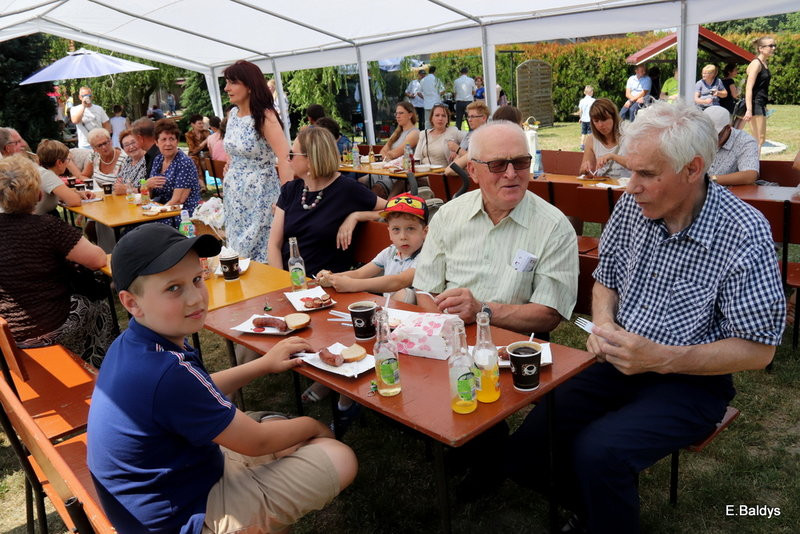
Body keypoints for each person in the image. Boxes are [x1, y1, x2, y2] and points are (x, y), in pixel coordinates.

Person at [509, 100, 784, 534]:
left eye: (647, 175)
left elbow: (758, 351)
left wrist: (661, 359)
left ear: (693, 170)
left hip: (692, 381)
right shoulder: (631, 207)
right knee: (529, 446)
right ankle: (592, 508)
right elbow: (605, 281)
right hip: (618, 358)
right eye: (629, 171)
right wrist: (604, 326)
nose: (630, 186)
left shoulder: (743, 232)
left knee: (600, 453)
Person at [87, 223, 356, 533]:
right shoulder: (165, 372)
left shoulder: (136, 344)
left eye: (196, 280)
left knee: (275, 424)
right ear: (131, 303)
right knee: (338, 455)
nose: (195, 298)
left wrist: (263, 364)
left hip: (168, 494)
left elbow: (200, 389)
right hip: (187, 518)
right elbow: (258, 442)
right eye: (173, 288)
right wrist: (318, 426)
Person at [414, 121, 578, 334]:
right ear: (472, 171)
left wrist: (481, 311)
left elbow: (549, 313)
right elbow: (425, 290)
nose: (511, 173)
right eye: (497, 165)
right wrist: (447, 336)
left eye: (521, 162)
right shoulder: (448, 215)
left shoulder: (554, 227)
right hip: (450, 339)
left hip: (512, 349)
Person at [0, 155, 112, 367]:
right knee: (98, 308)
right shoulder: (47, 227)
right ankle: (94, 368)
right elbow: (97, 259)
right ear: (39, 193)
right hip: (48, 327)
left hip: (8, 332)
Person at [268, 126, 386, 277]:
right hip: (290, 282)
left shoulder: (346, 189)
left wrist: (357, 216)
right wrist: (282, 283)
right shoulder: (290, 190)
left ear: (310, 159)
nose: (287, 158)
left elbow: (396, 208)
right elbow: (274, 245)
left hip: (326, 283)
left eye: (292, 154)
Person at [223, 60, 292, 262]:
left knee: (260, 248)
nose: (227, 88)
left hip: (261, 193)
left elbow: (285, 159)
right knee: (237, 249)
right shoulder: (233, 114)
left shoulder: (265, 117)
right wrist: (231, 164)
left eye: (232, 83)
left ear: (250, 85)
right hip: (234, 193)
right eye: (226, 83)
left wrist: (285, 200)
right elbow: (234, 148)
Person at [317, 193, 429, 304]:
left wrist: (352, 285)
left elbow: (399, 281)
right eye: (396, 229)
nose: (403, 237)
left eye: (410, 228)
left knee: (405, 295)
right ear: (389, 231)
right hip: (389, 308)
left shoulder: (425, 256)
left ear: (425, 232)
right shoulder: (390, 251)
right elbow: (359, 274)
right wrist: (331, 278)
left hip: (416, 314)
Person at [148, 119, 201, 225]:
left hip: (182, 213)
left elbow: (178, 201)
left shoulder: (184, 162)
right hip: (163, 208)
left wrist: (156, 212)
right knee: (131, 226)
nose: (168, 143)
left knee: (145, 229)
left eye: (172, 139)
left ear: (177, 141)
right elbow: (150, 192)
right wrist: (147, 185)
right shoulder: (158, 160)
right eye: (163, 139)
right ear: (156, 142)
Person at [368, 102, 420, 197]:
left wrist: (389, 155)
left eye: (401, 113)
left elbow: (396, 153)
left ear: (410, 115)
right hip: (386, 170)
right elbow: (382, 152)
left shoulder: (414, 133)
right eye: (396, 114)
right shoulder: (397, 133)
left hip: (398, 174)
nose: (398, 116)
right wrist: (389, 155)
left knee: (376, 190)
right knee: (359, 182)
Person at [34, 139, 93, 215]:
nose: (68, 163)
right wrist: (75, 196)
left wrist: (76, 193)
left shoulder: (40, 170)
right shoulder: (48, 175)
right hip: (38, 221)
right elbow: (74, 201)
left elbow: (59, 195)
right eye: (67, 159)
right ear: (59, 162)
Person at [703, 106, 759, 186]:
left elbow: (750, 175)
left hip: (728, 194)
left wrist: (710, 179)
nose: (711, 139)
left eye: (716, 136)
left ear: (728, 128)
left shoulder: (744, 141)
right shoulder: (697, 137)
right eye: (707, 134)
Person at [578, 98, 629, 178]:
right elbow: (582, 173)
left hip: (625, 187)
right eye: (596, 121)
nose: (600, 125)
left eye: (604, 119)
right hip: (601, 186)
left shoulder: (628, 135)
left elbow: (638, 165)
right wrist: (585, 169)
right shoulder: (591, 139)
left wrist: (612, 156)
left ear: (614, 117)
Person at [744, 35, 776, 149]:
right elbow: (748, 88)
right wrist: (749, 109)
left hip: (760, 103)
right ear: (760, 48)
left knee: (759, 139)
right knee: (758, 139)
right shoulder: (756, 64)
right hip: (755, 103)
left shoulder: (764, 64)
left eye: (774, 45)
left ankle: (755, 164)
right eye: (770, 46)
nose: (773, 48)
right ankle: (754, 165)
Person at [445, 100, 489, 176]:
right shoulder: (468, 135)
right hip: (462, 176)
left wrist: (457, 149)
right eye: (468, 116)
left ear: (484, 118)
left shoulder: (488, 136)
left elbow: (476, 161)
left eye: (472, 116)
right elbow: (455, 163)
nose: (469, 120)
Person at [414, 103, 460, 168]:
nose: (440, 118)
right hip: (423, 172)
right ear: (432, 119)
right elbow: (416, 158)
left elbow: (469, 138)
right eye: (437, 115)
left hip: (442, 174)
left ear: (447, 119)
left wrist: (458, 150)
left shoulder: (453, 131)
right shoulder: (423, 134)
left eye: (443, 116)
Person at [115, 129, 148, 193]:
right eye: (126, 145)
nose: (131, 147)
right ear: (123, 148)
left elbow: (142, 186)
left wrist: (126, 188)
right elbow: (117, 184)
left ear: (140, 141)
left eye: (133, 142)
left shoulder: (148, 159)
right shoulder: (127, 160)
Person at [578, 85, 595, 151]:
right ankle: (589, 146)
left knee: (583, 133)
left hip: (584, 119)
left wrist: (580, 118)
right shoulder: (593, 100)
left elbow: (580, 111)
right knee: (590, 133)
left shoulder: (582, 101)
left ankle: (582, 146)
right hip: (590, 119)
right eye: (592, 91)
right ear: (590, 92)